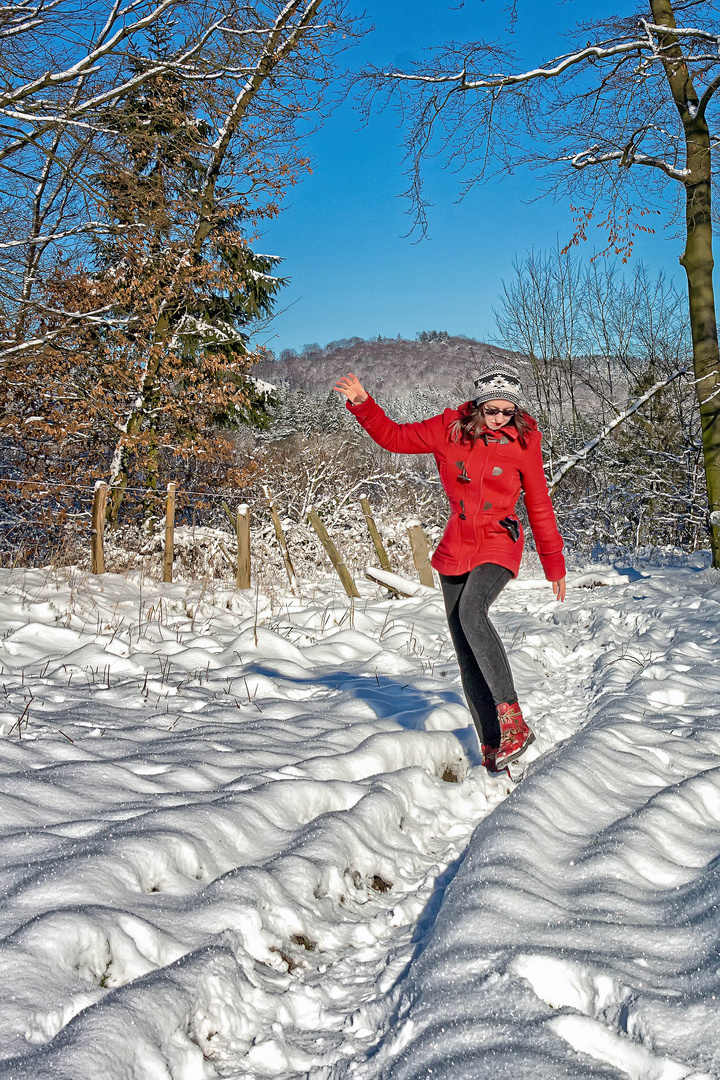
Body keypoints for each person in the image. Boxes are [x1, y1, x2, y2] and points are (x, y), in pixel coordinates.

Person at [334, 363, 566, 773]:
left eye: (507, 411)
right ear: (478, 405)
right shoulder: (448, 429)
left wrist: (553, 562)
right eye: (491, 410)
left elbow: (539, 504)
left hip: (500, 538)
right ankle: (494, 747)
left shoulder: (525, 443)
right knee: (465, 652)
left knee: (472, 610)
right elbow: (395, 438)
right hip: (457, 545)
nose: (498, 419)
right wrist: (363, 404)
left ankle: (514, 721)